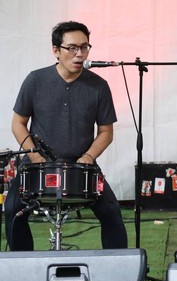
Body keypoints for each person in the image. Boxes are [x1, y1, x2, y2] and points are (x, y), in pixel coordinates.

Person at [4, 21, 128, 250]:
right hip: (36, 164)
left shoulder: (99, 86)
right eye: (72, 48)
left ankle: (117, 270)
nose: (79, 54)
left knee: (111, 212)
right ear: (55, 50)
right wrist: (35, 157)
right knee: (13, 210)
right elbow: (18, 123)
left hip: (81, 165)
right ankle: (23, 267)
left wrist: (89, 157)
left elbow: (105, 132)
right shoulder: (35, 80)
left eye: (84, 47)